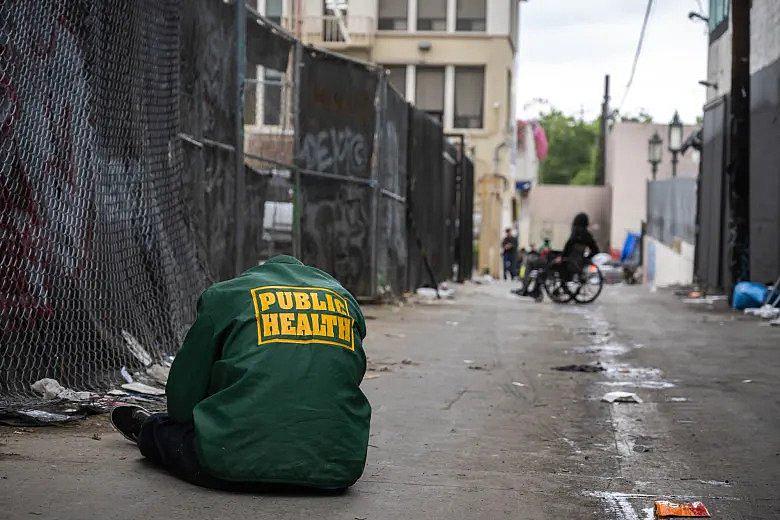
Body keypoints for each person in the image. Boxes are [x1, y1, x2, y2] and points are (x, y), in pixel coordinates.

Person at [110, 255, 370, 491]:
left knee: (162, 430)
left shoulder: (227, 295)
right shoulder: (344, 301)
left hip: (228, 465)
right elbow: (343, 379)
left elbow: (180, 403)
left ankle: (147, 431)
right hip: (337, 472)